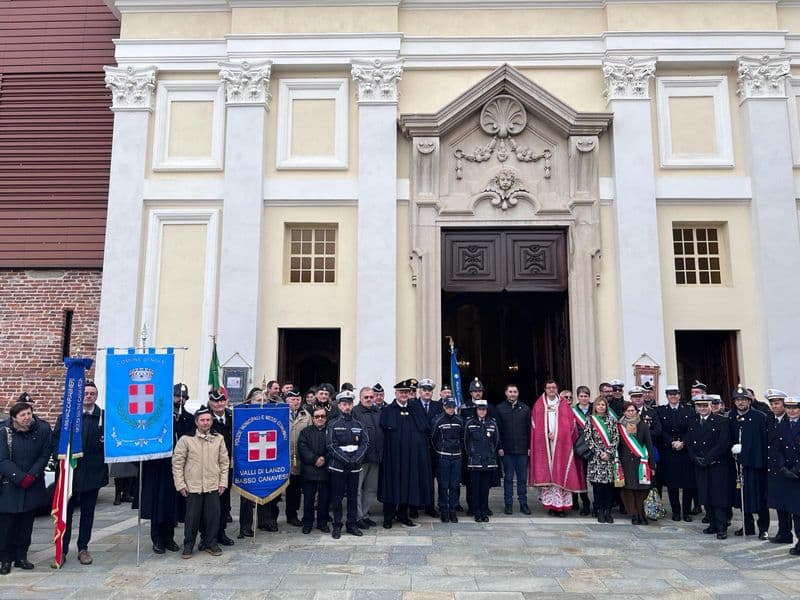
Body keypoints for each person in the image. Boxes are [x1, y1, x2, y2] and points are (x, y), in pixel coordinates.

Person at [53, 380, 109, 565]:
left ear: (96, 396)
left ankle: (83, 548)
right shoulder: (67, 417)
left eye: (92, 393)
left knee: (87, 513)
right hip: (71, 474)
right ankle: (63, 549)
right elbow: (56, 441)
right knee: (66, 513)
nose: (89, 396)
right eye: (86, 393)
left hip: (93, 473)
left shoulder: (104, 418)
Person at [138, 382, 194, 554]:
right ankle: (157, 538)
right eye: (178, 396)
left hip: (179, 468)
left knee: (173, 504)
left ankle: (169, 537)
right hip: (159, 466)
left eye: (183, 397)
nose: (180, 400)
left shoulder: (189, 418)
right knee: (158, 503)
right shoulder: (160, 417)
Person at [0, 400, 52, 574]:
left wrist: (32, 475)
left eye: (29, 413)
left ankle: (22, 556)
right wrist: (19, 477)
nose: (27, 418)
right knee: (7, 526)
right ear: (14, 417)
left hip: (32, 483)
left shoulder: (42, 429)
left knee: (26, 524)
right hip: (10, 485)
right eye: (22, 415)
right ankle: (5, 559)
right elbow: (3, 459)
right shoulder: (3, 431)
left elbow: (44, 455)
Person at [172, 407, 229, 559]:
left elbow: (224, 462)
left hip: (212, 485)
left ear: (212, 421)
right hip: (193, 486)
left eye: (208, 420)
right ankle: (189, 544)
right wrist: (180, 484)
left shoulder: (218, 438)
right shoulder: (186, 439)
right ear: (196, 422)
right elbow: (177, 463)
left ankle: (210, 542)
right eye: (202, 420)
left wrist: (223, 482)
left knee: (213, 517)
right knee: (192, 518)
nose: (205, 423)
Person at [379, 379, 433, 528]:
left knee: (407, 485)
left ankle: (403, 514)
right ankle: (388, 517)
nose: (404, 395)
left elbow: (423, 431)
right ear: (395, 393)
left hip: (411, 458)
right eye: (401, 392)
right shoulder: (388, 410)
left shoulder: (415, 409)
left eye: (406, 392)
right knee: (392, 485)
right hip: (393, 458)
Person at [530, 380, 585, 516]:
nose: (551, 389)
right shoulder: (538, 405)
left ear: (557, 389)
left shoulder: (564, 405)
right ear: (545, 389)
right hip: (545, 445)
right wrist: (545, 434)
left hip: (561, 446)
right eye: (549, 387)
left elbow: (571, 425)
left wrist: (558, 434)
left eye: (554, 387)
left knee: (560, 473)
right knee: (548, 477)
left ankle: (561, 508)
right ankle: (551, 507)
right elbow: (534, 426)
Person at [687, 395, 733, 539]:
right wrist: (694, 458)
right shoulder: (693, 421)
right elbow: (689, 441)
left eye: (705, 406)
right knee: (705, 495)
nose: (702, 408)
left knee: (718, 497)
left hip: (716, 465)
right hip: (700, 464)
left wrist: (707, 459)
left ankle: (722, 526)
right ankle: (712, 523)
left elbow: (723, 444)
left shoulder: (721, 421)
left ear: (711, 406)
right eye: (699, 406)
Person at [326, 391, 369, 539]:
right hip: (338, 466)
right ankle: (337, 526)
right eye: (344, 404)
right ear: (339, 405)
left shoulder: (359, 424)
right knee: (337, 498)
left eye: (349, 404)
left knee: (352, 497)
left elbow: (365, 443)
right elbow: (331, 445)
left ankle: (352, 524)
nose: (347, 407)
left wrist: (356, 458)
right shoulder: (333, 424)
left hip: (355, 466)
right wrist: (345, 459)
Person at [730, 384, 770, 539]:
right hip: (739, 464)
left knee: (760, 497)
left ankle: (763, 529)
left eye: (743, 400)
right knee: (743, 497)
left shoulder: (760, 417)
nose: (740, 403)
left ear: (749, 401)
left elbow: (764, 441)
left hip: (756, 464)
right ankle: (748, 526)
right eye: (737, 400)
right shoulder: (732, 417)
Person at [657, 384, 697, 522]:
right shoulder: (661, 411)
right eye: (670, 394)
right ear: (667, 396)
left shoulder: (689, 410)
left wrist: (683, 442)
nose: (673, 396)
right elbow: (660, 430)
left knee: (687, 484)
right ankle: (675, 511)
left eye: (675, 394)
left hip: (685, 451)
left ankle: (686, 512)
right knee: (672, 484)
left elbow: (692, 429)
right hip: (669, 451)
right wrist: (671, 442)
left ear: (679, 395)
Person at [495, 383, 531, 515]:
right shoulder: (499, 408)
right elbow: (497, 430)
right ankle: (508, 504)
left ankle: (523, 504)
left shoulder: (525, 409)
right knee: (508, 479)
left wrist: (529, 447)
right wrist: (499, 447)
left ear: (518, 393)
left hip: (522, 450)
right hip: (507, 450)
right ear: (506, 393)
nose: (512, 394)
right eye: (510, 391)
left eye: (515, 392)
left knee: (522, 479)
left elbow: (529, 430)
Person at [617, 401, 656, 525]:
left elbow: (649, 445)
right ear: (624, 412)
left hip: (641, 462)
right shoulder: (619, 427)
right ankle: (634, 514)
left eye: (633, 410)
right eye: (628, 411)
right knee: (629, 489)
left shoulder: (643, 425)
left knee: (641, 489)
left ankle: (641, 513)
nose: (631, 413)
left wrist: (652, 464)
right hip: (626, 462)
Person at [772, 397, 800, 555]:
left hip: (797, 473)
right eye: (788, 408)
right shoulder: (782, 424)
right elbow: (778, 448)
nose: (791, 411)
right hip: (788, 474)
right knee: (794, 510)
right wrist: (783, 467)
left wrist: (796, 469)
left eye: (794, 408)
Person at [585, 397, 619, 523]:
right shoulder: (590, 420)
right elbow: (588, 438)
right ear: (595, 406)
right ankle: (599, 510)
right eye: (598, 404)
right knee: (598, 487)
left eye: (603, 405)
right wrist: (599, 453)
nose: (600, 407)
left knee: (609, 487)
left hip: (609, 459)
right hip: (596, 459)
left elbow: (616, 438)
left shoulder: (612, 420)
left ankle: (608, 511)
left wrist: (609, 452)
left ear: (606, 406)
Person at [206, 389, 234, 546]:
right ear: (210, 402)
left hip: (227, 466)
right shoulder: (205, 418)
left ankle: (221, 532)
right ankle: (207, 535)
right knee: (210, 504)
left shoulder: (231, 416)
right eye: (215, 401)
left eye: (222, 400)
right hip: (209, 467)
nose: (219, 404)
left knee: (224, 502)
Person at [464, 399, 499, 522]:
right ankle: (476, 511)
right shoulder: (470, 423)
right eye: (480, 409)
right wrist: (472, 455)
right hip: (475, 462)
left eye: (484, 409)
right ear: (476, 410)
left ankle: (484, 511)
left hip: (488, 462)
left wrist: (489, 454)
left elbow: (495, 442)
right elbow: (466, 442)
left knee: (485, 489)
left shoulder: (492, 423)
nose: (482, 412)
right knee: (475, 488)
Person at [765, 389, 793, 544]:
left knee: (791, 504)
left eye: (777, 403)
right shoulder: (770, 419)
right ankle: (784, 532)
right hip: (773, 467)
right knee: (778, 502)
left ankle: (790, 533)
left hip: (788, 468)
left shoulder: (790, 420)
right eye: (772, 404)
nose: (774, 406)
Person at [298, 407, 331, 534]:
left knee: (324, 499)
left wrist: (324, 459)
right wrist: (314, 459)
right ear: (313, 418)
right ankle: (307, 523)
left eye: (322, 416)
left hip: (325, 470)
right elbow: (302, 448)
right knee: (308, 500)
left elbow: (333, 447)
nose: (320, 419)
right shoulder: (305, 432)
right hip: (309, 470)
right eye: (317, 416)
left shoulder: (330, 431)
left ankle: (322, 523)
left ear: (326, 418)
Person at [353, 386, 382, 529]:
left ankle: (364, 514)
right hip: (361, 459)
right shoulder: (355, 412)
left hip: (376, 457)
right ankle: (357, 517)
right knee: (357, 489)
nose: (369, 399)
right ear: (360, 398)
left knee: (371, 489)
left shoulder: (378, 411)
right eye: (366, 397)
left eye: (371, 397)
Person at [431, 397, 463, 522]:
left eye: (452, 407)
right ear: (444, 407)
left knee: (455, 485)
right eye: (448, 407)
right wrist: (439, 451)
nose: (451, 409)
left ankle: (453, 510)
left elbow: (463, 438)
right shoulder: (437, 420)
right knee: (443, 485)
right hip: (443, 457)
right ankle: (444, 510)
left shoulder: (460, 420)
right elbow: (433, 439)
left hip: (456, 457)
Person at [413, 378, 441, 518]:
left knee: (430, 479)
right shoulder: (413, 405)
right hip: (417, 449)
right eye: (424, 390)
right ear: (420, 391)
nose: (427, 392)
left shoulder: (438, 406)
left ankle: (430, 506)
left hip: (433, 448)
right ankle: (414, 506)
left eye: (429, 390)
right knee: (415, 477)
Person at [284, 390, 311, 527]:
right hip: (283, 456)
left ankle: (292, 515)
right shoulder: (281, 413)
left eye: (298, 399)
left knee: (294, 489)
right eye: (292, 399)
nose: (296, 402)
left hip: (299, 457)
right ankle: (271, 517)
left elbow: (310, 435)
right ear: (287, 401)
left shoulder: (306, 415)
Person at [570, 385, 592, 515]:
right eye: (581, 396)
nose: (583, 398)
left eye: (586, 396)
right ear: (578, 397)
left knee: (592, 477)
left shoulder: (594, 409)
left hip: (593, 448)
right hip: (578, 448)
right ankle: (579, 502)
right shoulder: (573, 411)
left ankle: (591, 503)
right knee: (578, 475)